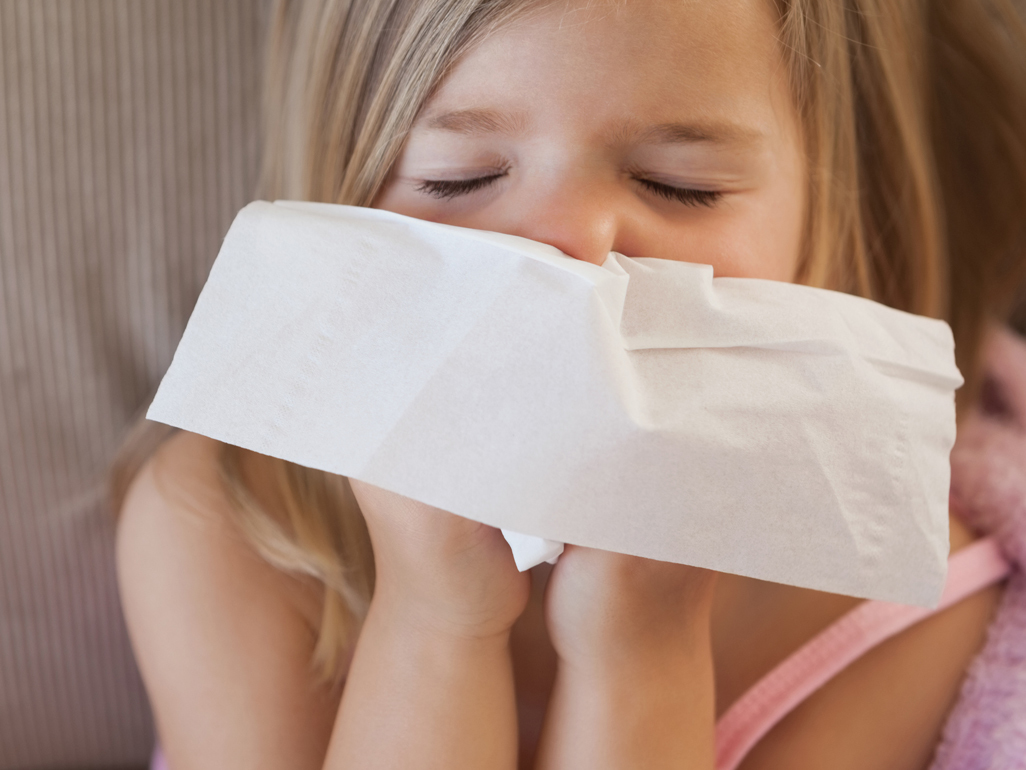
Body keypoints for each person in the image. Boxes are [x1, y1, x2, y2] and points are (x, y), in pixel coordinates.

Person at [109, 0, 1026, 768]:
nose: (568, 247)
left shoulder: (909, 607)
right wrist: (436, 615)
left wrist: (643, 647)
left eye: (680, 184)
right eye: (458, 177)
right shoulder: (232, 525)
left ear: (833, 206)